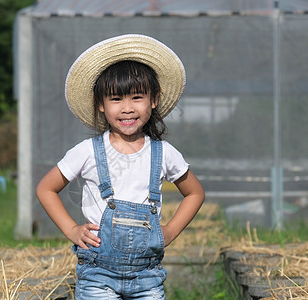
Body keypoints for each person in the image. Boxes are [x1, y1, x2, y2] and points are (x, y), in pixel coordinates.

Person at [36, 34, 205, 299]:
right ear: (101, 105)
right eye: (116, 99)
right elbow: (46, 189)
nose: (127, 108)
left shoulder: (164, 154)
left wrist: (170, 231)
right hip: (97, 275)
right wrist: (71, 229)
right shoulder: (87, 152)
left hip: (147, 276)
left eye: (137, 97)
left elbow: (195, 193)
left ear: (154, 99)